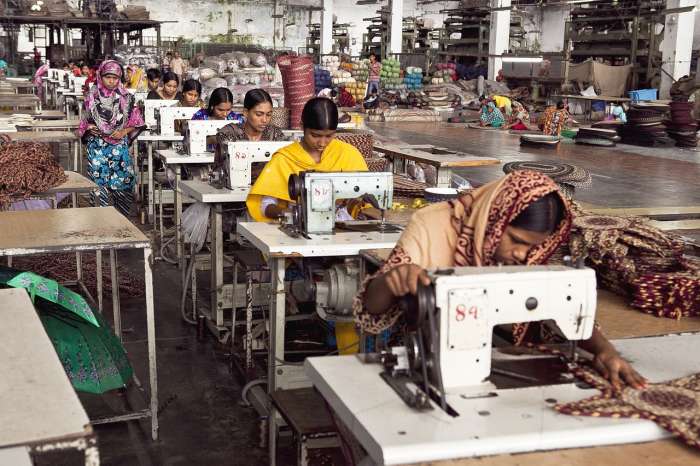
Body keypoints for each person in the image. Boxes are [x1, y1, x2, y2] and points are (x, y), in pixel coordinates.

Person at [355, 170, 648, 391]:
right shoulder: (431, 225)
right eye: (516, 241)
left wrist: (605, 351)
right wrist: (392, 280)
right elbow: (372, 307)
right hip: (428, 360)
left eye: (533, 247)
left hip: (507, 357)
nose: (523, 255)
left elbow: (563, 303)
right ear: (496, 219)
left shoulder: (531, 252)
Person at [246, 97, 367, 223]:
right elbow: (266, 204)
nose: (322, 143)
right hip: (298, 227)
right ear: (302, 126)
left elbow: (365, 198)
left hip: (343, 229)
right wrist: (293, 214)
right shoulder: (285, 158)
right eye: (315, 135)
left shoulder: (348, 154)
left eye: (329, 136)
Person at [78, 60, 144, 216]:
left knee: (123, 181)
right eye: (108, 76)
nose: (112, 81)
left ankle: (122, 218)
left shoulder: (127, 97)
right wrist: (88, 128)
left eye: (115, 77)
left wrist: (123, 132)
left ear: (120, 78)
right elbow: (83, 122)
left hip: (118, 146)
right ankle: (101, 220)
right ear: (101, 76)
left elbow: (137, 121)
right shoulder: (91, 96)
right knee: (98, 184)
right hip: (97, 146)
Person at [215, 89, 287, 179]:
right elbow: (224, 169)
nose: (264, 120)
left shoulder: (275, 134)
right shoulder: (228, 134)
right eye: (259, 114)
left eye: (268, 114)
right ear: (246, 112)